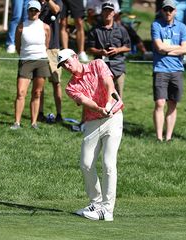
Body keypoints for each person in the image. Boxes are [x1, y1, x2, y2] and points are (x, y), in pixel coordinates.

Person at [58, 48, 123, 221]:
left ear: (75, 57)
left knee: (109, 164)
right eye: (63, 65)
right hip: (93, 121)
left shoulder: (97, 64)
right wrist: (100, 109)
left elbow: (109, 84)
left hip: (114, 118)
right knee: (86, 164)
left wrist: (108, 103)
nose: (66, 66)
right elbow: (85, 101)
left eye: (67, 61)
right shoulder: (70, 87)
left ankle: (107, 210)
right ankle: (96, 202)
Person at [151, 0, 186, 142]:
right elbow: (159, 47)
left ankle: (168, 137)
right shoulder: (156, 25)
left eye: (171, 10)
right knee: (160, 103)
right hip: (160, 69)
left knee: (172, 103)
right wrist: (176, 49)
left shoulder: (182, 27)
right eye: (166, 9)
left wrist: (167, 51)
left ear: (175, 11)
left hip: (177, 70)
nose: (168, 12)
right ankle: (159, 137)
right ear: (162, 11)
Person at [10, 0, 51, 129]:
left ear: (39, 12)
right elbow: (18, 46)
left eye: (36, 10)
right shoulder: (21, 26)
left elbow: (47, 45)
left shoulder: (45, 27)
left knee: (37, 93)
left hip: (41, 61)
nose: (33, 12)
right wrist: (24, 55)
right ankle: (17, 122)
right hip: (25, 61)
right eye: (31, 10)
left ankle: (34, 123)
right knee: (21, 92)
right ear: (27, 11)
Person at [87, 1, 131, 99]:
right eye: (105, 11)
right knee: (101, 97)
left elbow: (128, 46)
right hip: (101, 69)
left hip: (118, 68)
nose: (108, 13)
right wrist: (100, 52)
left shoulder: (121, 29)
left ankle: (118, 114)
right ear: (102, 12)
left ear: (114, 13)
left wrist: (117, 50)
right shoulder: (95, 30)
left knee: (118, 98)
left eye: (110, 11)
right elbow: (90, 49)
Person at [38, 0, 64, 123]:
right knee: (39, 82)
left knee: (56, 82)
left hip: (53, 48)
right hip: (39, 48)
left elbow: (56, 9)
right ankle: (39, 112)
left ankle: (59, 114)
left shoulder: (56, 1)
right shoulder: (36, 3)